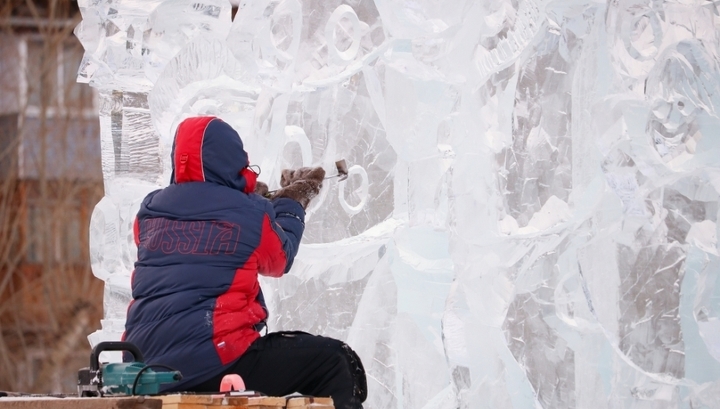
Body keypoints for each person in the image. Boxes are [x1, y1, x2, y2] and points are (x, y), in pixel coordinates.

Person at [123, 116, 367, 408]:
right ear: (233, 161)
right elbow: (279, 258)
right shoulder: (249, 213)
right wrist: (292, 200)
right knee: (336, 363)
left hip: (144, 368)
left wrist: (250, 202)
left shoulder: (149, 213)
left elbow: (200, 235)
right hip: (214, 361)